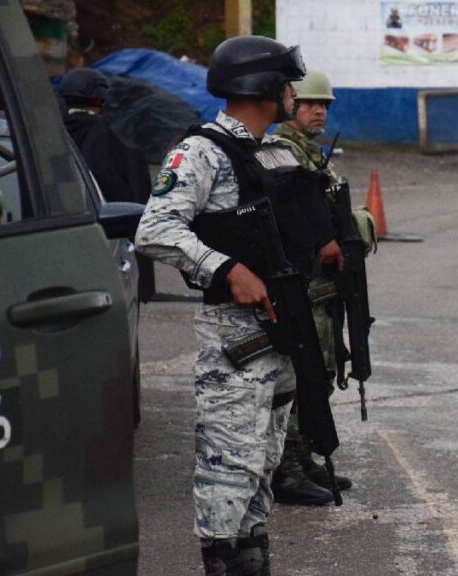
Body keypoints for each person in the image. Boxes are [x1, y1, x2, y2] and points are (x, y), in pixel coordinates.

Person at [134, 35, 335, 575]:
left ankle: (250, 554)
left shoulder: (268, 149)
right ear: (265, 86)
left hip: (281, 329)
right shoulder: (201, 151)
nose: (295, 92)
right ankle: (220, 560)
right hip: (235, 336)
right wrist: (225, 267)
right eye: (287, 82)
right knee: (230, 459)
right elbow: (153, 230)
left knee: (265, 457)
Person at [267, 69, 353, 506]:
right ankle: (289, 468)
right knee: (302, 374)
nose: (320, 110)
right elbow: (299, 221)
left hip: (321, 288)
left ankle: (305, 455)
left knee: (320, 370)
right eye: (310, 104)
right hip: (303, 286)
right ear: (290, 106)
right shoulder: (281, 153)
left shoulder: (310, 153)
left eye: (325, 105)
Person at [60, 68, 156, 302]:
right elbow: (133, 201)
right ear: (100, 98)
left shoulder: (48, 136)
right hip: (107, 249)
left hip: (55, 240)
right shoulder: (113, 140)